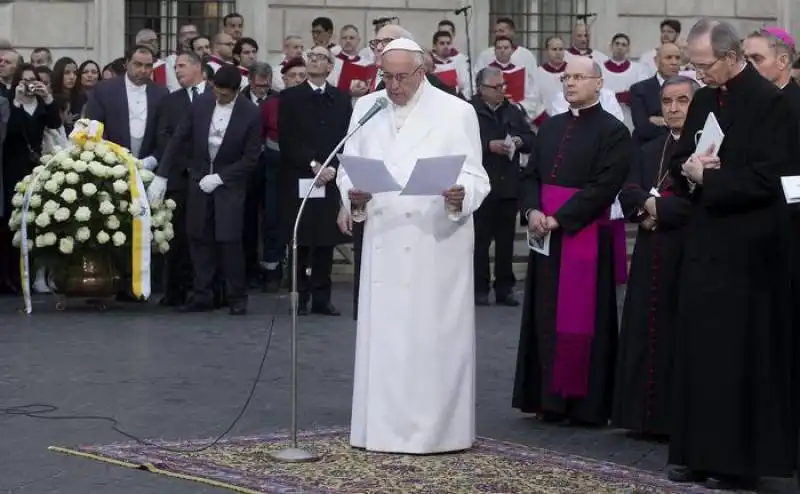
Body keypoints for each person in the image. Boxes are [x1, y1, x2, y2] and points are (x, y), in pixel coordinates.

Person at [336, 38, 491, 453]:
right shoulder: (366, 107)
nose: (393, 85)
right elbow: (347, 169)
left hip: (435, 242)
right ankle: (379, 429)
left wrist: (461, 196)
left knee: (429, 343)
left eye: (402, 77)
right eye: (386, 76)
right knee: (386, 342)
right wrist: (353, 195)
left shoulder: (456, 111)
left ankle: (438, 433)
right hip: (386, 240)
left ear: (422, 73)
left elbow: (477, 176)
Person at [665, 19, 794, 490]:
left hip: (747, 248)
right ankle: (694, 451)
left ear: (731, 55)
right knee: (699, 351)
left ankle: (735, 460)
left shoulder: (770, 103)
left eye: (704, 67)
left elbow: (770, 180)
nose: (698, 76)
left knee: (736, 357)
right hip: (704, 241)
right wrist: (690, 168)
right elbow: (681, 157)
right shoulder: (702, 99)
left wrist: (711, 179)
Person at [512, 56, 632, 426]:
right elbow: (530, 174)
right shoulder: (550, 128)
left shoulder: (614, 131)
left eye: (579, 77)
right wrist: (532, 211)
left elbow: (604, 187)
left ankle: (584, 404)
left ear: (599, 84)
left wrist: (560, 219)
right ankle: (547, 397)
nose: (570, 83)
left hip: (582, 237)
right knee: (544, 314)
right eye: (566, 77)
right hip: (544, 236)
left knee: (584, 319)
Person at [613, 75, 696, 438]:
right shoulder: (649, 148)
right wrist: (647, 211)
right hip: (649, 253)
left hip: (686, 252)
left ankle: (676, 419)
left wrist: (656, 211)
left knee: (679, 334)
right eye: (667, 102)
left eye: (682, 101)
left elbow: (698, 204)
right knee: (644, 331)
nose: (674, 108)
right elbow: (628, 190)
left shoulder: (707, 148)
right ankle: (642, 418)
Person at [146, 65, 262, 315]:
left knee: (229, 240)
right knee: (198, 237)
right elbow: (179, 138)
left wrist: (221, 176)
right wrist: (162, 175)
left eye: (225, 95)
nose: (220, 98)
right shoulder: (200, 104)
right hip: (198, 178)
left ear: (236, 91)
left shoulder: (250, 113)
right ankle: (202, 294)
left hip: (228, 182)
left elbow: (251, 158)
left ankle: (236, 296)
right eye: (216, 92)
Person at [278, 46, 351, 316]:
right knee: (301, 237)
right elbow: (286, 138)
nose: (315, 60)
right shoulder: (290, 97)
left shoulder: (341, 99)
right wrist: (313, 164)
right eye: (312, 56)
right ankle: (299, 295)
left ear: (331, 66)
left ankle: (322, 296)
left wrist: (331, 168)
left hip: (330, 177)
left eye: (321, 57)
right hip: (300, 175)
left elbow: (346, 138)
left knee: (324, 239)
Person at [471, 66, 534, 306]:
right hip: (482, 185)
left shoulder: (513, 111)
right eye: (496, 87)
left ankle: (505, 287)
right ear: (481, 89)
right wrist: (488, 146)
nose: (501, 91)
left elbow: (531, 139)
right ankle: (479, 287)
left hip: (508, 184)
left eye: (503, 86)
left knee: (506, 241)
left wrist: (519, 141)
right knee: (480, 241)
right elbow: (461, 142)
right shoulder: (470, 111)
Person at [152, 51, 207, 307]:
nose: (178, 71)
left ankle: (203, 289)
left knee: (203, 236)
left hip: (208, 177)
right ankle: (174, 291)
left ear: (198, 68)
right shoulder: (169, 101)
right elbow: (163, 136)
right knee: (177, 237)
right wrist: (184, 163)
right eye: (176, 67)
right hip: (178, 178)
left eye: (182, 66)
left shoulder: (213, 97)